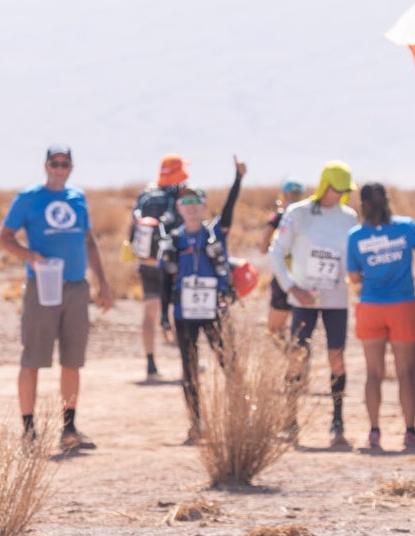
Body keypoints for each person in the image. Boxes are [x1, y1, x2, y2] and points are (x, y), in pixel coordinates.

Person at [0, 144, 114, 452]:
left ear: (71, 167)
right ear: (46, 165)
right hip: (42, 287)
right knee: (33, 358)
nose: (59, 169)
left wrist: (103, 284)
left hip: (76, 287)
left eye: (64, 164)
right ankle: (29, 432)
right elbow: (3, 238)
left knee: (72, 359)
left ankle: (69, 429)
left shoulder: (78, 198)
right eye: (54, 163)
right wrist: (30, 256)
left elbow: (89, 241)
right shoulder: (28, 198)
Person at [157, 158, 247, 442]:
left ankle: (239, 418)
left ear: (205, 205)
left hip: (215, 309)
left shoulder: (215, 234)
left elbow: (229, 210)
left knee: (229, 363)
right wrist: (163, 317)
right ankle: (196, 423)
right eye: (186, 201)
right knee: (189, 368)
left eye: (197, 200)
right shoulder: (174, 241)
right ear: (179, 208)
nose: (192, 206)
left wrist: (238, 179)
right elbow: (164, 281)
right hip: (184, 313)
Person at [271, 161, 359, 448]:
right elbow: (276, 251)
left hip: (336, 299)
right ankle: (289, 421)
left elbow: (352, 256)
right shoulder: (298, 213)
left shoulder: (349, 218)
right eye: (336, 189)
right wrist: (291, 287)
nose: (340, 195)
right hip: (303, 299)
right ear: (324, 186)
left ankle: (337, 421)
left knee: (337, 356)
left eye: (345, 190)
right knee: (297, 356)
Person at [345, 182, 415, 452]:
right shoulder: (406, 227)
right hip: (402, 305)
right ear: (387, 201)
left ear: (362, 205)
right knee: (405, 373)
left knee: (373, 373)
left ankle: (374, 432)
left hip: (370, 307)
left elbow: (354, 277)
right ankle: (409, 432)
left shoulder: (355, 236)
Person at [129, 156, 189, 381]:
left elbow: (131, 228)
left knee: (149, 311)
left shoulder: (145, 194)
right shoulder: (180, 195)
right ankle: (186, 363)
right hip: (171, 263)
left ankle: (151, 364)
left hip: (147, 262)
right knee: (178, 311)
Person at [263, 178, 307, 335]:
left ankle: (286, 349)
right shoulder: (308, 217)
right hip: (304, 276)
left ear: (284, 195)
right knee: (301, 330)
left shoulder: (278, 217)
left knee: (274, 330)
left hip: (282, 275)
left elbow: (263, 248)